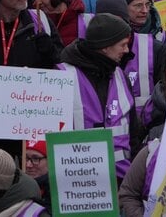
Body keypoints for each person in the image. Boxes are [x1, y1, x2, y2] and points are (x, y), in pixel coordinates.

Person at [58, 13, 138, 179]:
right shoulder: (62, 76)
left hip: (120, 181)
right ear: (105, 47)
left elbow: (133, 132)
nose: (127, 50)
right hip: (78, 182)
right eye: (122, 45)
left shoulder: (121, 76)